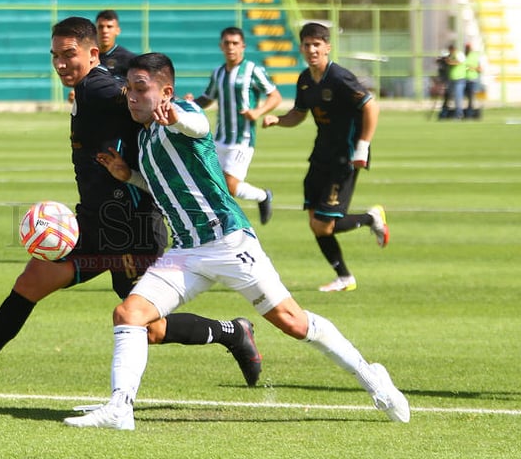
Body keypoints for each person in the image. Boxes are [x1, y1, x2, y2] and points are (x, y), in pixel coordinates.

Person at [0, 16, 262, 399]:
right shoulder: (86, 89)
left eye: (70, 55)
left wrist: (174, 115)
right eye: (55, 56)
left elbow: (137, 99)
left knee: (150, 328)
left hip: (133, 226)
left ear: (93, 53)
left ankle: (232, 331)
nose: (61, 63)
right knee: (31, 282)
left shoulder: (101, 88)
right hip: (96, 221)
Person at [64, 52, 410, 430]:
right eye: (128, 89)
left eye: (141, 89)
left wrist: (177, 115)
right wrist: (128, 175)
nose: (131, 96)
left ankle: (371, 376)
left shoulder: (181, 115)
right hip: (185, 252)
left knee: (293, 323)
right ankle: (120, 408)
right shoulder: (145, 139)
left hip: (229, 243)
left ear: (166, 92)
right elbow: (162, 187)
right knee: (129, 315)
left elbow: (198, 125)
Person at [261, 22, 388, 293]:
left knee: (324, 223)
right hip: (321, 154)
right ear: (301, 48)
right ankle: (344, 277)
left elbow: (371, 107)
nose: (312, 50)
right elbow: (299, 113)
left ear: (327, 47)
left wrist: (363, 146)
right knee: (315, 222)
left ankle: (370, 219)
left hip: (346, 157)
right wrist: (278, 121)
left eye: (317, 45)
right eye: (307, 45)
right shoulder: (305, 80)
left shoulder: (340, 77)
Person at [188, 26, 281, 225]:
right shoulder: (218, 73)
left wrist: (257, 112)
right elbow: (207, 98)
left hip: (242, 139)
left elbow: (275, 96)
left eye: (235, 43)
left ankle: (263, 196)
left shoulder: (253, 70)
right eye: (227, 43)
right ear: (221, 46)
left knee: (230, 185)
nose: (231, 47)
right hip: (220, 138)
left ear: (243, 46)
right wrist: (190, 103)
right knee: (212, 186)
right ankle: (218, 226)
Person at [95, 9, 136, 79]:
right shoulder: (88, 56)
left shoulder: (128, 59)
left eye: (109, 27)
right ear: (95, 30)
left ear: (118, 31)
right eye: (101, 27)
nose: (104, 31)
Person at [442, 43, 466, 119]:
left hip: (459, 79)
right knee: (450, 97)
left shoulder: (459, 54)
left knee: (458, 97)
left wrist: (449, 62)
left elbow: (459, 62)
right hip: (452, 79)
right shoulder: (451, 55)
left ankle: (459, 115)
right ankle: (447, 114)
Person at [463, 43, 483, 119]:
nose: (467, 49)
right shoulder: (463, 55)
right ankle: (465, 113)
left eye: (468, 47)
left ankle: (470, 114)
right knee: (465, 98)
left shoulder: (475, 56)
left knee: (471, 98)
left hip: (472, 79)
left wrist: (472, 68)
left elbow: (480, 69)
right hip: (463, 79)